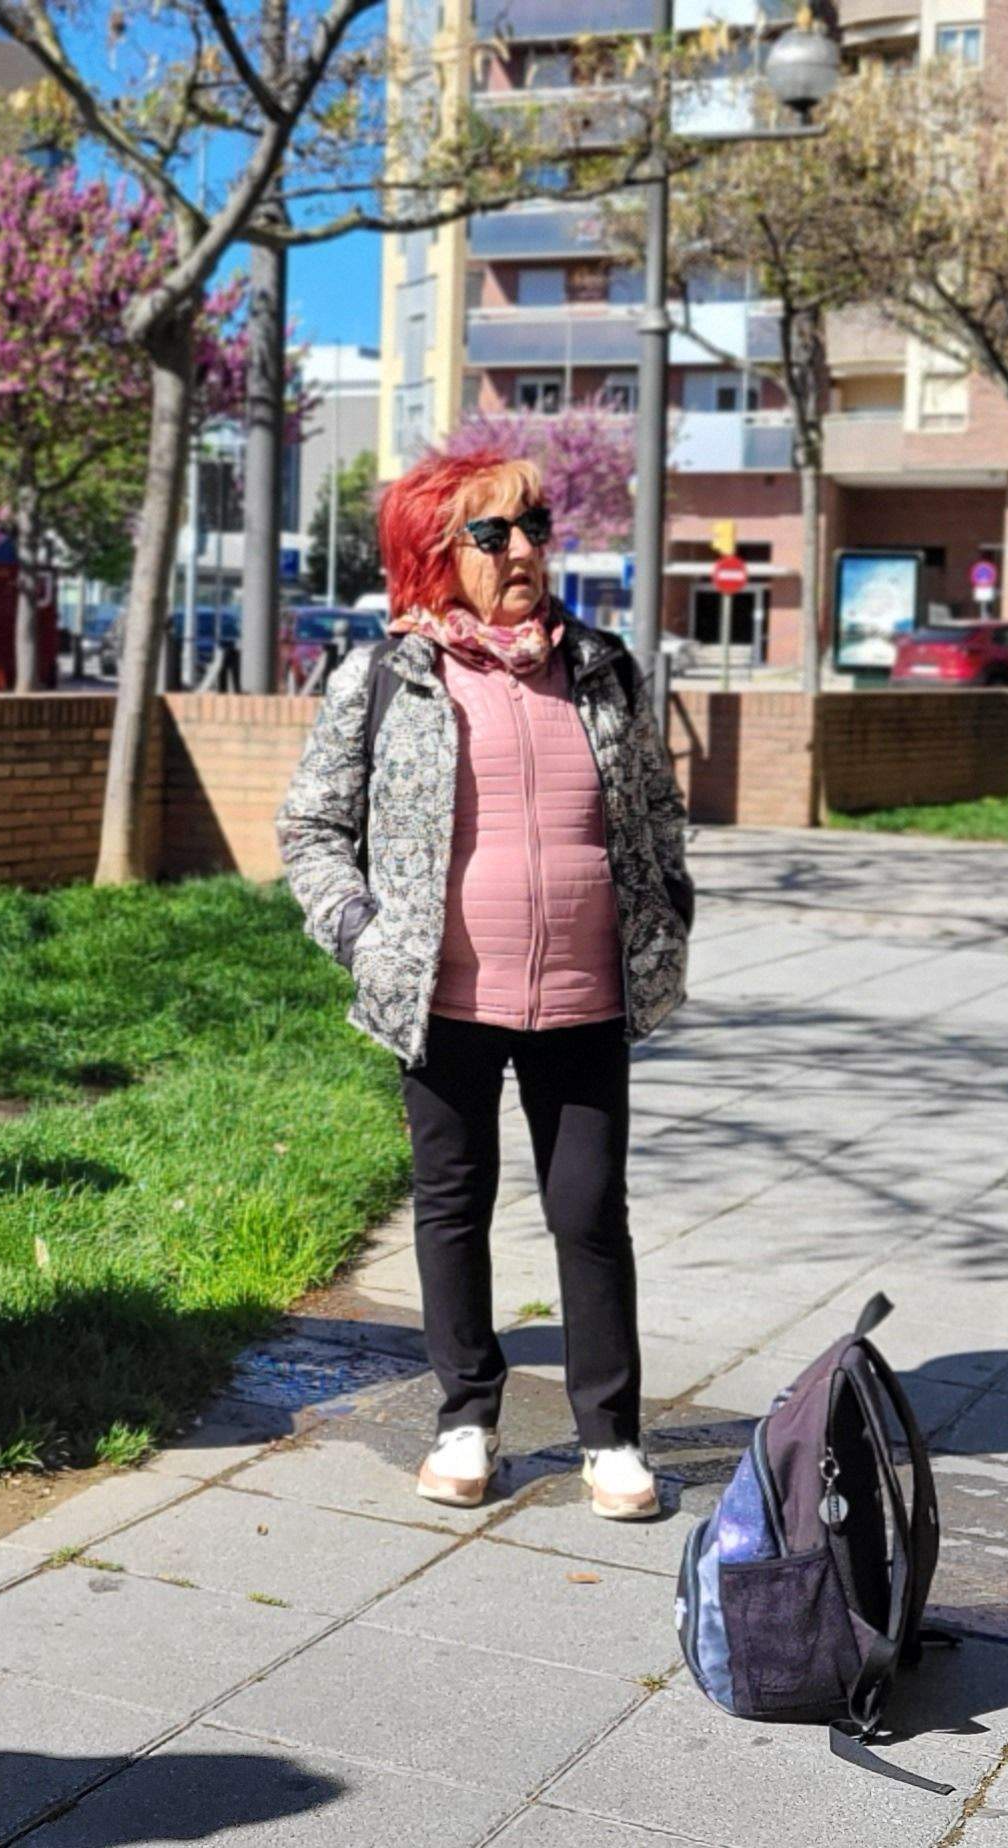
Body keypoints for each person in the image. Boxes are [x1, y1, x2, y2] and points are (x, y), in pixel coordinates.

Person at [272, 450, 694, 1524]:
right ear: (431, 556)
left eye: (535, 526)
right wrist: (362, 934)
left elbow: (653, 810)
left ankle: (611, 1436)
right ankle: (467, 1416)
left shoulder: (601, 665)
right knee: (451, 1209)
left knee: (588, 1210)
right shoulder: (385, 677)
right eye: (492, 533)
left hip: (585, 993)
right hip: (441, 998)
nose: (523, 551)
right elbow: (312, 829)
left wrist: (667, 903)